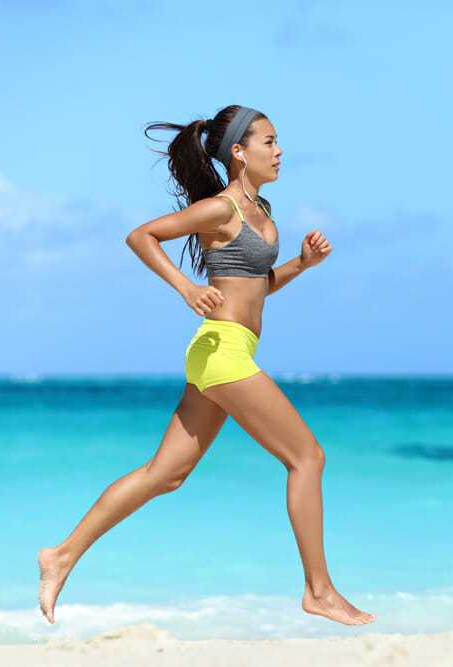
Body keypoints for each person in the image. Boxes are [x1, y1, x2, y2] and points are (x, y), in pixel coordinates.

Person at [37, 105, 375, 627]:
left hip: (223, 350)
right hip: (222, 351)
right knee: (307, 457)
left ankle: (60, 555)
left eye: (277, 141)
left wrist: (302, 266)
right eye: (268, 142)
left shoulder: (263, 211)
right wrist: (187, 287)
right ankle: (319, 591)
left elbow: (254, 289)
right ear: (238, 152)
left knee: (165, 475)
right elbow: (141, 236)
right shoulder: (221, 210)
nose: (279, 150)